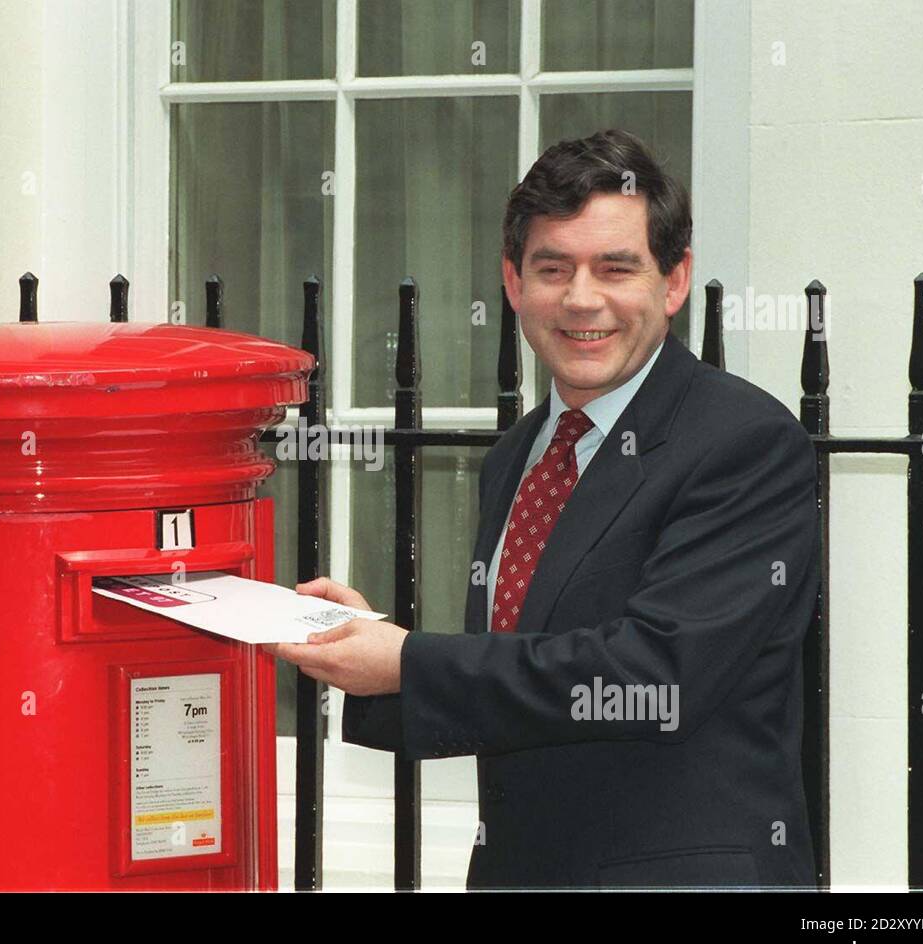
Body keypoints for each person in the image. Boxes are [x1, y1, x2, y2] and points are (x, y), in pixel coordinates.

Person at [263, 129, 819, 890]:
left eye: (615, 268)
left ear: (675, 281)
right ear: (514, 283)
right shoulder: (518, 454)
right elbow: (527, 683)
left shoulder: (745, 441)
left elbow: (656, 676)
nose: (580, 299)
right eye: (552, 268)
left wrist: (407, 659)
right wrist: (361, 658)